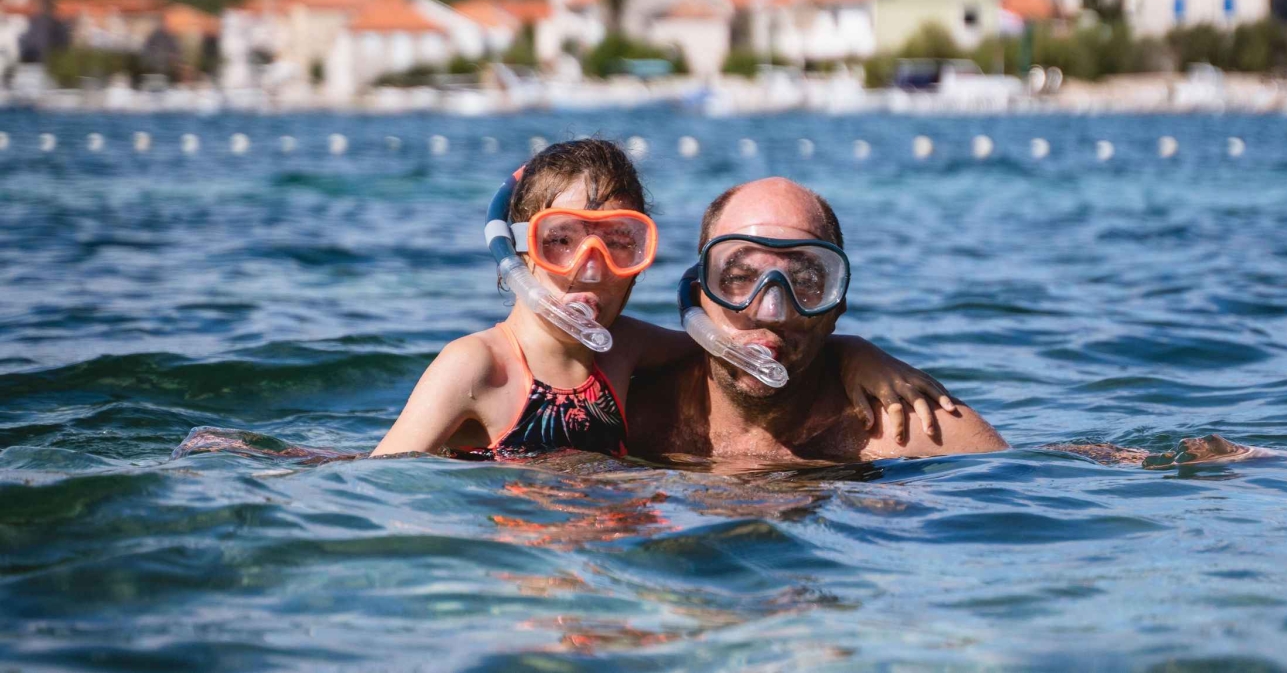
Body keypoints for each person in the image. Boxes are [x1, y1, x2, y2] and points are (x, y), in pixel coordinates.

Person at [372, 142, 956, 459]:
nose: (591, 267)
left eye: (620, 242)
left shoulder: (623, 351)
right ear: (521, 252)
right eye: (561, 241)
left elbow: (735, 349)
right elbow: (383, 486)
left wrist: (852, 351)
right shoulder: (477, 367)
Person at [626, 177, 1008, 464]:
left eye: (806, 282)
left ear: (836, 309)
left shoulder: (915, 435)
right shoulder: (628, 415)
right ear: (697, 298)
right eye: (740, 279)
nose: (771, 312)